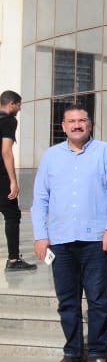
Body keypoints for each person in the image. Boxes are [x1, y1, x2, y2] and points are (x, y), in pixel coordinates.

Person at [31, 106, 107, 362]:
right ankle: (72, 352)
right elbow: (40, 198)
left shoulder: (106, 152)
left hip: (96, 239)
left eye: (82, 120)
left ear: (90, 123)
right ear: (63, 126)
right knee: (67, 301)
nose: (77, 125)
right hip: (60, 240)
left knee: (97, 299)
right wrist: (40, 235)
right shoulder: (51, 156)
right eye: (71, 121)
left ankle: (97, 352)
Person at [0, 91, 35, 271]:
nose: (20, 109)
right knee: (12, 215)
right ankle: (13, 260)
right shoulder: (8, 121)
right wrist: (13, 180)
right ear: (12, 104)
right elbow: (6, 151)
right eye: (19, 105)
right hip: (1, 176)